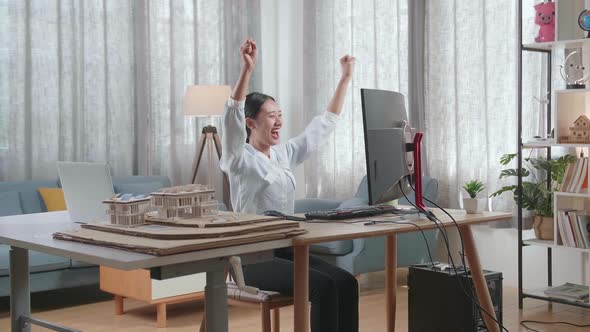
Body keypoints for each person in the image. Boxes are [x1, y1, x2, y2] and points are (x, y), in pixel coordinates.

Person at [220, 37, 358, 332]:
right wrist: (247, 70)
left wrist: (345, 79)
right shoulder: (239, 159)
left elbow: (322, 127)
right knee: (322, 287)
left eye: (280, 115)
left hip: (286, 250)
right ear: (251, 123)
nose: (279, 121)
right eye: (271, 116)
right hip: (253, 258)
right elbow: (231, 116)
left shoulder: (282, 154)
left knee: (346, 282)